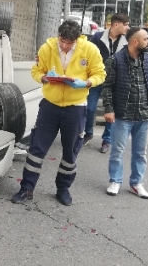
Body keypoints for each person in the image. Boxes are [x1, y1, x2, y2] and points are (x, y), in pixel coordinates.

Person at [11, 20, 106, 207]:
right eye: (62, 41)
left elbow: (100, 75)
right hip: (50, 105)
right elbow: (36, 71)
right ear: (58, 36)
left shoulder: (90, 50)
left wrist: (84, 83)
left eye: (69, 43)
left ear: (77, 39)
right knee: (37, 148)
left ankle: (63, 189)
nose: (64, 46)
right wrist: (45, 78)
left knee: (70, 151)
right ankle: (26, 188)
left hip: (76, 106)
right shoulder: (47, 47)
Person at [101, 27, 148, 198]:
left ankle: (136, 183)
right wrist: (109, 109)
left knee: (140, 152)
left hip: (144, 115)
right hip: (122, 115)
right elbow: (107, 87)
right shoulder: (115, 60)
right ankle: (115, 181)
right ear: (135, 42)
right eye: (146, 39)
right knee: (117, 151)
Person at [84, 12, 130, 153]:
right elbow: (88, 55)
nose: (128, 28)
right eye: (126, 24)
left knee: (111, 111)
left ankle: (107, 140)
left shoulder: (127, 41)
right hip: (97, 79)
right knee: (90, 107)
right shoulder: (98, 37)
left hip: (114, 82)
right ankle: (88, 133)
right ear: (116, 25)